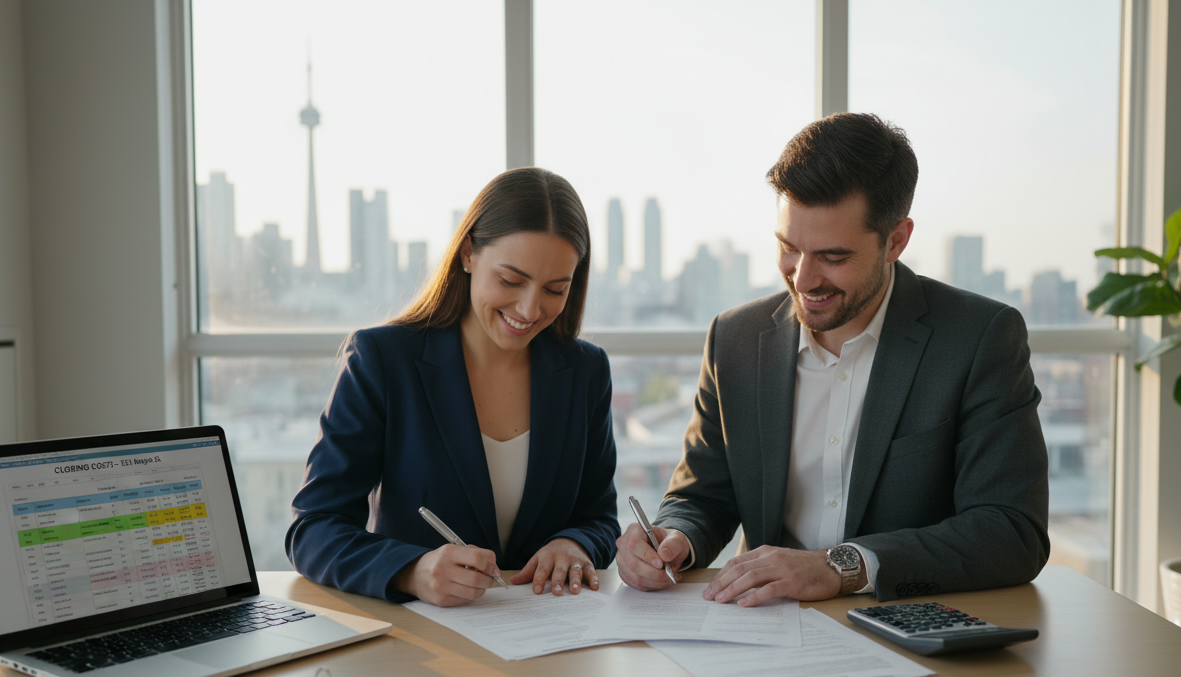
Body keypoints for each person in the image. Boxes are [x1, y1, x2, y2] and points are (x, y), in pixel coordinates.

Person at [615, 113, 1049, 606]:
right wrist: (673, 538)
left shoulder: (978, 338)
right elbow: (702, 495)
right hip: (760, 630)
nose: (802, 279)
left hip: (905, 627)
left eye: (833, 257)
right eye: (788, 248)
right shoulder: (734, 338)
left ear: (896, 240)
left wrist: (838, 567)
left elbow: (1011, 530)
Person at [288, 167, 619, 606]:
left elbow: (598, 517)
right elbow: (313, 527)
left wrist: (575, 545)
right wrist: (410, 570)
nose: (529, 308)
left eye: (555, 289)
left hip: (552, 639)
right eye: (510, 280)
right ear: (467, 253)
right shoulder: (383, 360)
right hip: (425, 645)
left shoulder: (585, 370)